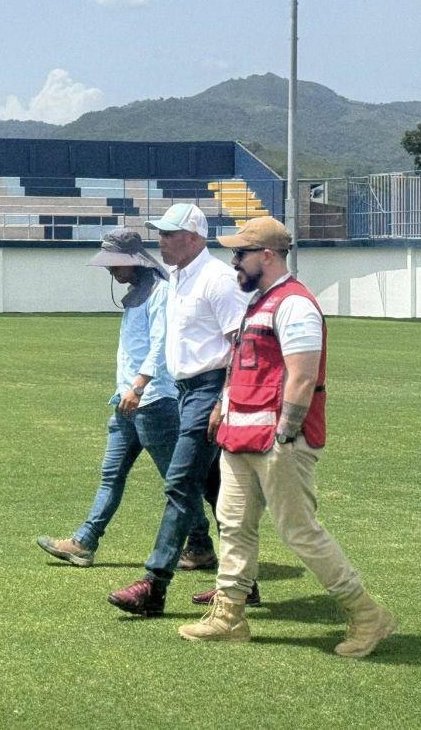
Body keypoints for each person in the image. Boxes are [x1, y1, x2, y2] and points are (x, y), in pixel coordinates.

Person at [178, 217, 396, 658]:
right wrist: (223, 405)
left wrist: (284, 435)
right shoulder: (259, 302)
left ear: (267, 255)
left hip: (277, 442)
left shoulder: (295, 304)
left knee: (300, 532)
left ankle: (367, 614)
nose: (233, 261)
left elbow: (302, 377)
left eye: (240, 253)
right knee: (235, 528)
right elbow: (243, 363)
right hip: (240, 438)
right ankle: (228, 616)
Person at [106, 204, 251, 616]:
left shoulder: (218, 279)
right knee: (214, 488)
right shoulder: (176, 278)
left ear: (192, 237)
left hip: (210, 390)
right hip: (187, 391)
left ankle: (154, 584)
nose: (160, 241)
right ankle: (244, 582)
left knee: (180, 484)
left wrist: (224, 400)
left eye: (168, 234)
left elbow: (240, 347)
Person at [36, 229, 178, 567]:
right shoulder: (137, 293)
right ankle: (84, 542)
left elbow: (161, 346)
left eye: (115, 264)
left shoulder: (161, 293)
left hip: (153, 401)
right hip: (127, 401)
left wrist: (139, 386)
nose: (110, 270)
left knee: (177, 482)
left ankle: (201, 544)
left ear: (134, 262)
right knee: (112, 474)